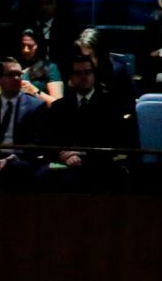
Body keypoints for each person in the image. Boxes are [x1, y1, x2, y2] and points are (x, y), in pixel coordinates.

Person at [39, 50, 138, 186]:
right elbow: (47, 140)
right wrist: (63, 155)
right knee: (41, 176)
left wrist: (80, 155)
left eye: (88, 72)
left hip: (99, 164)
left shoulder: (111, 106)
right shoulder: (59, 107)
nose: (84, 76)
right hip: (64, 162)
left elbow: (116, 142)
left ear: (94, 75)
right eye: (78, 73)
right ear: (71, 78)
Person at [14, 27, 60, 102]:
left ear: (39, 46)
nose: (25, 50)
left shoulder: (50, 67)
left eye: (30, 46)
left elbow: (58, 104)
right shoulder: (14, 66)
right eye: (23, 45)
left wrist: (34, 90)